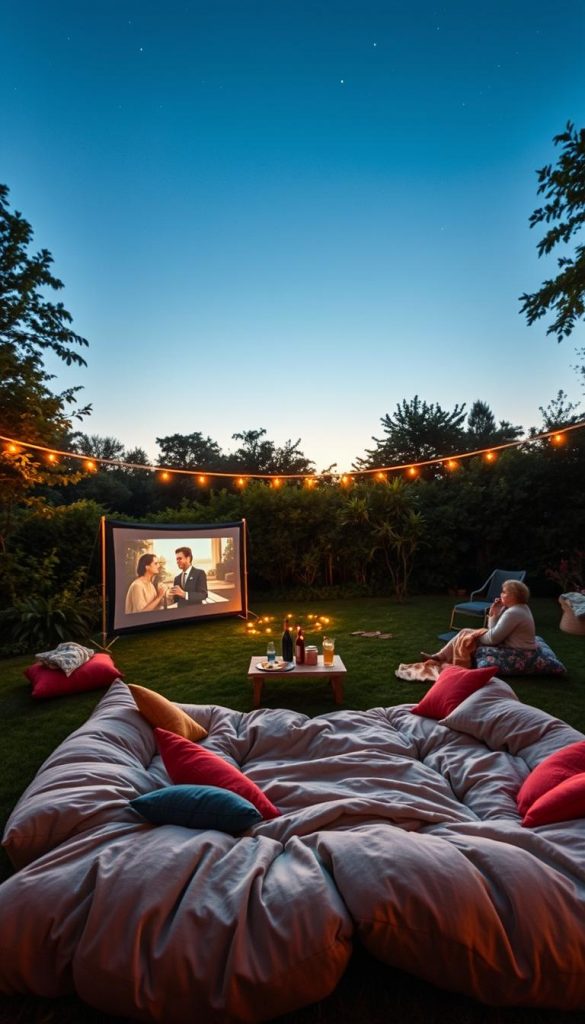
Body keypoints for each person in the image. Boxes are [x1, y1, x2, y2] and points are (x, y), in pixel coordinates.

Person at [422, 579, 536, 662]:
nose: (501, 594)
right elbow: (494, 632)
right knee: (467, 633)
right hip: (519, 646)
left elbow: (493, 639)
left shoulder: (513, 613)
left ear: (513, 596)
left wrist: (474, 634)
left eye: (504, 592)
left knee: (466, 634)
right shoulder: (520, 608)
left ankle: (441, 656)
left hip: (518, 651)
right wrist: (494, 613)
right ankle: (440, 656)